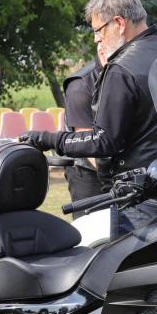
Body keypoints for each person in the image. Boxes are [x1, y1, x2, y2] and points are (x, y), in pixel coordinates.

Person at [19, 0, 157, 237]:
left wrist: (47, 139)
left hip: (140, 195)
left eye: (98, 30)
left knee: (129, 260)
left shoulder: (122, 68)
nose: (96, 38)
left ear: (119, 23)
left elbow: (104, 140)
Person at [61, 50, 109, 217]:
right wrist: (116, 178)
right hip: (87, 170)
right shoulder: (80, 85)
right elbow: (87, 143)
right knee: (92, 229)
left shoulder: (126, 75)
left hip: (116, 167)